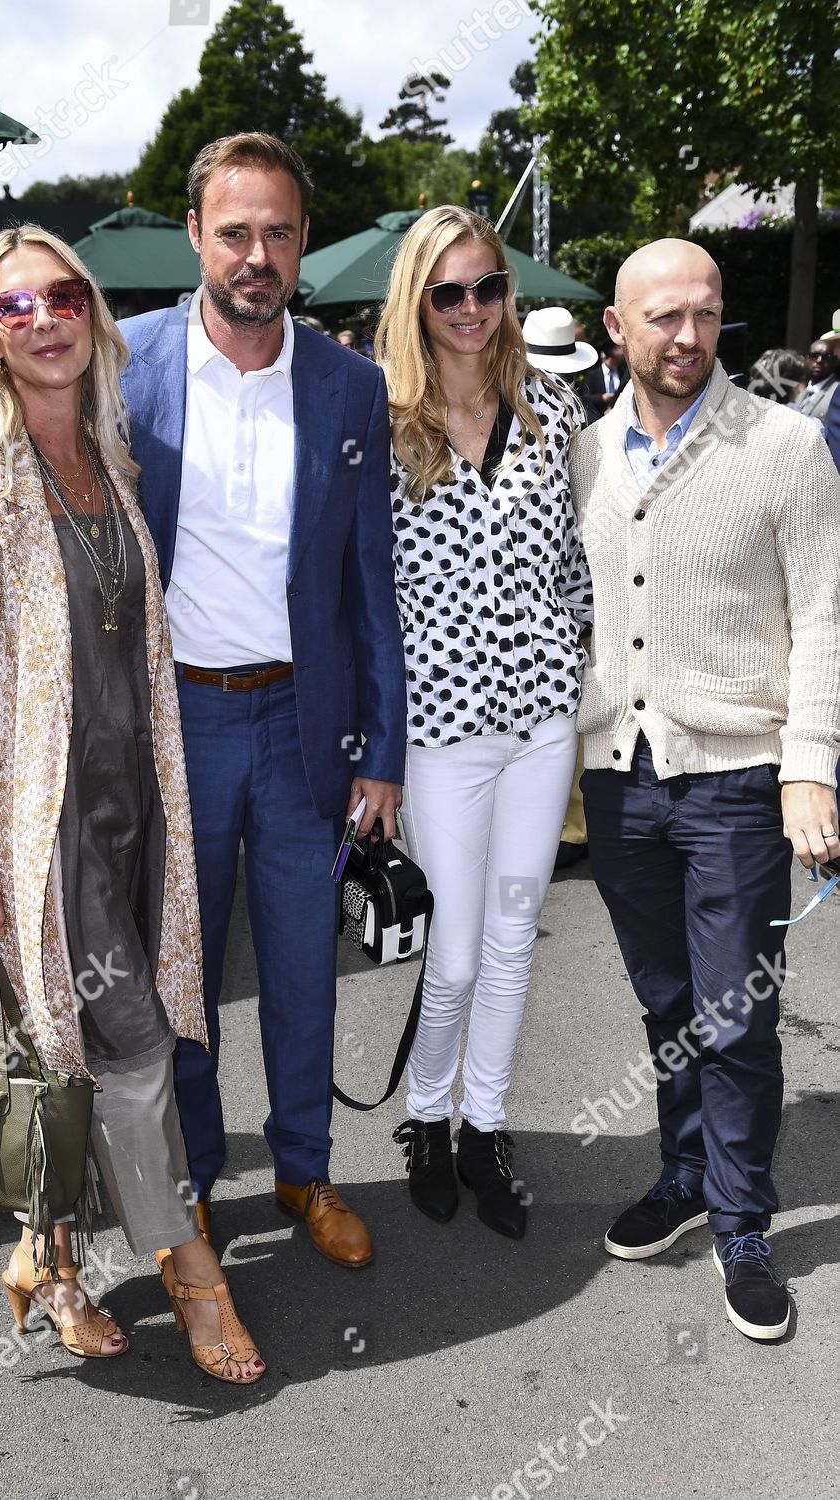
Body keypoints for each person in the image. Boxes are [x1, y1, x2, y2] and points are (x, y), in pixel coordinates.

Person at [0, 225, 265, 1384]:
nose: (45, 321)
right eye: (14, 307)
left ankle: (49, 1264)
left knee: (55, 1052)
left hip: (134, 796)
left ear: (92, 313)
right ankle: (190, 1269)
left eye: (63, 297)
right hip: (39, 818)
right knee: (133, 1042)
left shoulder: (111, 455)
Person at [119, 133, 406, 1269]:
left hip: (301, 725)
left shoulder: (351, 385)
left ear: (302, 242)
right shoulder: (124, 365)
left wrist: (382, 751)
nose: (257, 255)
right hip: (174, 723)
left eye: (278, 233)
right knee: (180, 977)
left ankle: (305, 1170)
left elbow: (370, 582)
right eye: (234, 232)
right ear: (195, 234)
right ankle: (191, 1182)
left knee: (301, 968)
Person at [571, 238, 840, 1341]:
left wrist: (809, 765)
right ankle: (683, 1176)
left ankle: (741, 1221)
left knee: (735, 1014)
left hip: (737, 782)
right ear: (615, 329)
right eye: (663, 317)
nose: (688, 336)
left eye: (705, 313)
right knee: (667, 1004)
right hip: (620, 781)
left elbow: (824, 612)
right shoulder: (583, 454)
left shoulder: (785, 445)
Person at [376, 208, 591, 1238]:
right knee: (455, 953)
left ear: (508, 292)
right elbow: (360, 593)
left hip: (543, 721)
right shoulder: (381, 423)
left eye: (488, 287)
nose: (471, 308)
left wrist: (581, 665)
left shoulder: (554, 407)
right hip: (439, 732)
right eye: (448, 292)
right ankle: (425, 1116)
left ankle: (485, 1127)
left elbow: (577, 562)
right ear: (416, 302)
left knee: (512, 939)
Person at [520, 307, 598, 872]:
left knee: (572, 719)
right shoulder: (535, 413)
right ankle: (567, 826)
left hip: (573, 591)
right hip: (554, 596)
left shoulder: (578, 419)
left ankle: (571, 826)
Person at [791, 337, 839, 427]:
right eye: (814, 356)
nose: (819, 360)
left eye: (826, 356)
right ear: (806, 359)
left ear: (835, 361)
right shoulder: (797, 393)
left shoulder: (837, 393)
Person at [579, 344, 629, 422]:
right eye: (611, 358)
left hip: (621, 417)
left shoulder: (624, 372)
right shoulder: (593, 374)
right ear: (604, 357)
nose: (613, 361)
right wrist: (602, 398)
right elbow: (586, 398)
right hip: (599, 417)